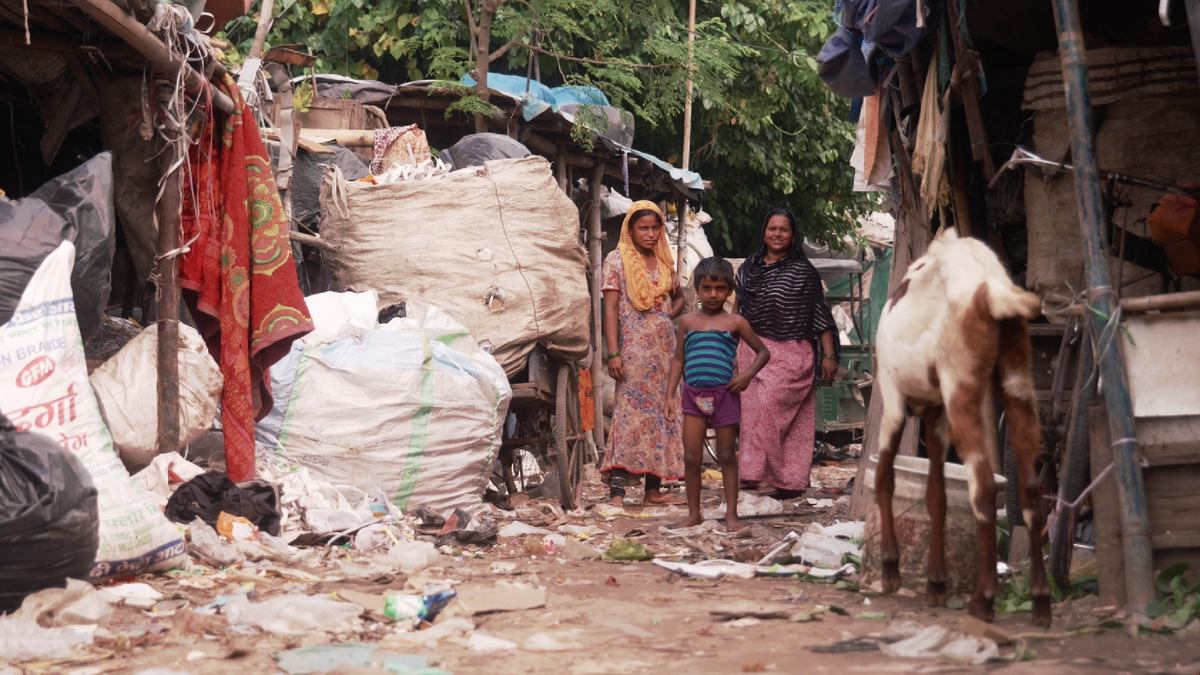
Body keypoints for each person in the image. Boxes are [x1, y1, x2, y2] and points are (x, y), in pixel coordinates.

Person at [733, 208, 839, 498]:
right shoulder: (748, 269)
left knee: (771, 412)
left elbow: (820, 316)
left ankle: (758, 475)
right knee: (754, 416)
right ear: (764, 233)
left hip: (792, 353)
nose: (777, 234)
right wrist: (728, 347)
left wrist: (829, 356)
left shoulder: (803, 272)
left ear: (793, 236)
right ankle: (785, 483)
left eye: (784, 230)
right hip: (752, 350)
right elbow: (738, 312)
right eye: (772, 229)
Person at [666, 257, 770, 531]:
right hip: (693, 396)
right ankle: (693, 514)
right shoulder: (686, 322)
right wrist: (669, 396)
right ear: (697, 290)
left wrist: (746, 376)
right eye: (707, 288)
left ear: (729, 290)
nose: (713, 294)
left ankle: (731, 514)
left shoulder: (736, 322)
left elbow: (763, 352)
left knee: (725, 455)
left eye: (720, 288)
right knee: (691, 457)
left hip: (725, 396)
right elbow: (678, 360)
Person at [601, 200, 686, 506]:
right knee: (630, 414)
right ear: (631, 229)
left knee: (662, 414)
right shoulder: (617, 260)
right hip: (633, 349)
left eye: (655, 228)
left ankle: (653, 490)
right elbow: (610, 309)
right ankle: (618, 493)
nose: (650, 234)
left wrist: (663, 315)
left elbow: (680, 300)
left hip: (665, 353)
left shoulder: (665, 262)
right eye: (643, 228)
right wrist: (614, 353)